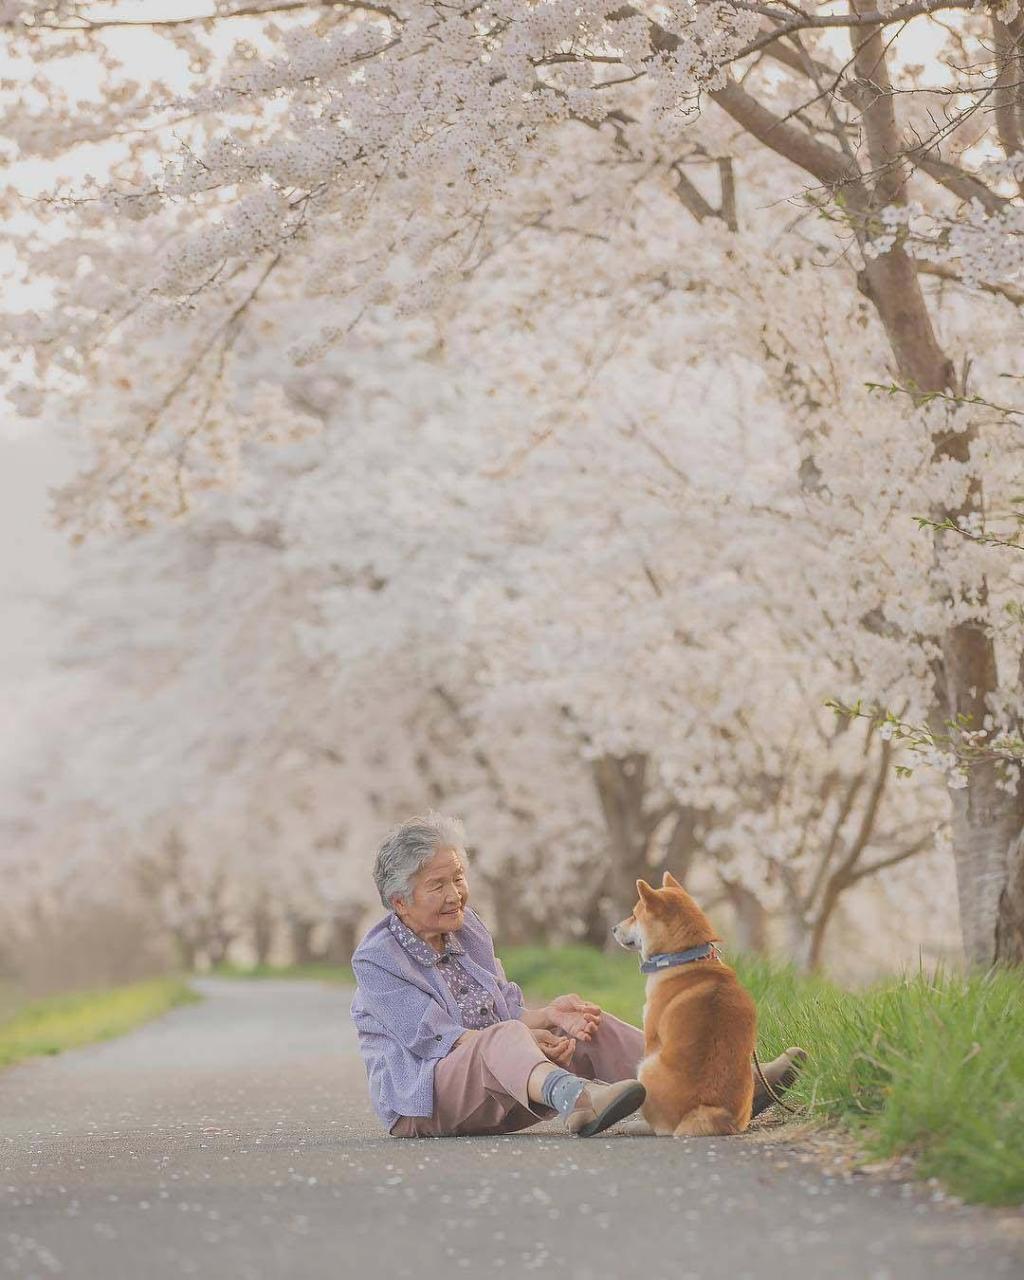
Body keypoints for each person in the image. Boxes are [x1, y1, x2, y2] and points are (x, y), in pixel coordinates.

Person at [350, 812, 801, 1139]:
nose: (456, 895)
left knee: (588, 1023)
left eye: (459, 878)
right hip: (426, 1104)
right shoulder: (377, 960)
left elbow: (503, 1012)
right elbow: (440, 1038)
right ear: (399, 902)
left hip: (507, 1090)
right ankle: (579, 1101)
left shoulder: (467, 930)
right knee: (505, 1036)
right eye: (438, 885)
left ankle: (723, 1089)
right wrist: (524, 1037)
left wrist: (551, 1017)